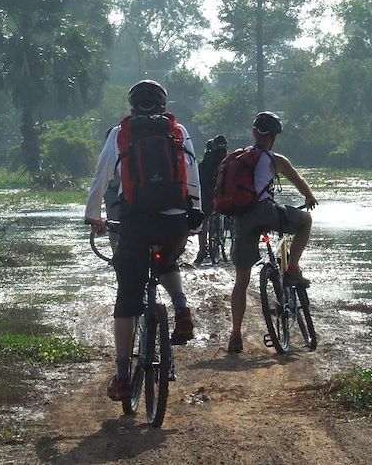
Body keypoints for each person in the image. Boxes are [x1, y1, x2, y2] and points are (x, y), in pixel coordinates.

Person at [85, 79, 201, 401]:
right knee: (169, 258)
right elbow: (192, 175)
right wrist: (195, 216)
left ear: (132, 106)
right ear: (164, 105)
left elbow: (102, 176)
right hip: (175, 221)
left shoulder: (120, 133)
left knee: (127, 296)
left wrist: (93, 214)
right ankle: (181, 308)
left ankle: (123, 378)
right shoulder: (178, 131)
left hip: (135, 221)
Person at [228, 111, 318, 354]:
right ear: (275, 136)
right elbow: (299, 182)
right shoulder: (276, 160)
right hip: (266, 212)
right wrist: (309, 197)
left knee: (241, 280)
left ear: (254, 133)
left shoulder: (238, 158)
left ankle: (236, 335)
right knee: (305, 221)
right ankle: (291, 270)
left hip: (242, 218)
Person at [194, 135, 228, 265]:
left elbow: (199, 180)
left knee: (204, 220)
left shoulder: (206, 161)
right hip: (226, 195)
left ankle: (202, 250)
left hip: (208, 194)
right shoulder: (229, 160)